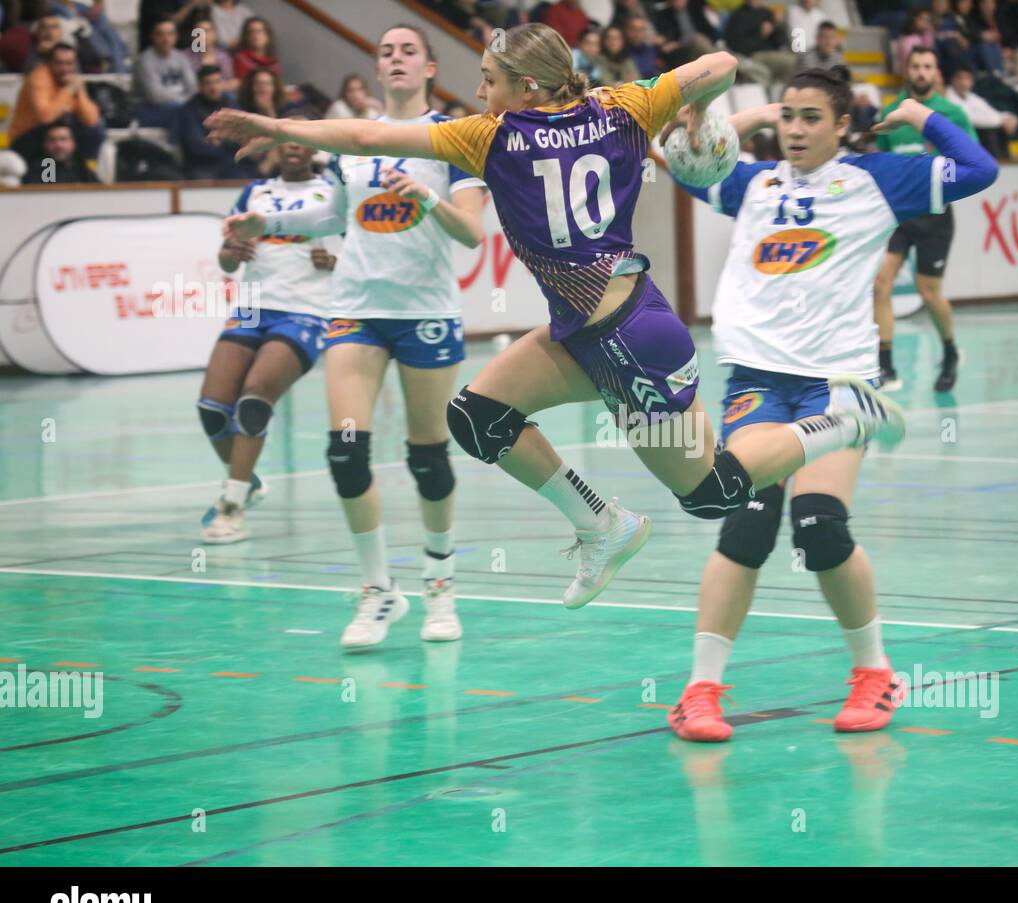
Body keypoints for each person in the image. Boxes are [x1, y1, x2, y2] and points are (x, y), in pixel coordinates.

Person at [207, 22, 906, 617]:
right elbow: (721, 64)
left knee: (714, 492)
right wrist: (700, 111)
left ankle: (843, 419)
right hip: (599, 328)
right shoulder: (626, 104)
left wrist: (273, 126)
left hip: (630, 343)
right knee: (478, 417)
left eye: (488, 79)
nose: (479, 92)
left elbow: (364, 134)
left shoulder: (488, 138)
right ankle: (602, 522)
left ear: (527, 86)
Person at [664, 66, 997, 740]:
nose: (795, 128)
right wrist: (747, 119)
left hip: (835, 379)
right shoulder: (751, 182)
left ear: (843, 125)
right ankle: (699, 692)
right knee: (746, 524)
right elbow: (679, 160)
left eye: (811, 117)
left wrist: (918, 115)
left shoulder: (879, 177)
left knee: (819, 526)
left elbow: (980, 168)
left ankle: (874, 674)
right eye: (788, 115)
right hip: (759, 380)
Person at [221, 24, 487, 649]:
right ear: (377, 69)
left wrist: (427, 200)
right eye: (385, 51)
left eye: (407, 51)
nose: (394, 58)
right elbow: (331, 213)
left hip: (425, 313)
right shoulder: (354, 146)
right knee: (345, 452)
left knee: (427, 457)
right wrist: (268, 219)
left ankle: (440, 584)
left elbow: (472, 234)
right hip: (356, 313)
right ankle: (378, 591)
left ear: (429, 67)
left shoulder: (455, 141)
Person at [199, 141, 339, 544]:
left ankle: (233, 505)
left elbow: (367, 253)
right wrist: (230, 251)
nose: (293, 148)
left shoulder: (333, 191)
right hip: (252, 308)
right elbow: (227, 260)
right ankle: (249, 482)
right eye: (286, 141)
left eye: (302, 141)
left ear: (314, 148)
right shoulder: (254, 192)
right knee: (211, 408)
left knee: (254, 399)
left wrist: (336, 262)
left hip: (307, 311)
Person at [872, 46, 976, 393]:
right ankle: (885, 365)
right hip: (899, 214)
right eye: (915, 66)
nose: (921, 71)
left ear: (936, 73)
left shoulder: (951, 115)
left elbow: (970, 161)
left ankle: (949, 351)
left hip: (935, 215)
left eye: (927, 66)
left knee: (929, 292)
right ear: (907, 71)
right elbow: (883, 163)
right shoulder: (890, 113)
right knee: (880, 282)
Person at [9, 43, 103, 166]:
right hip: (26, 138)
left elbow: (92, 119)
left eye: (69, 63)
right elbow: (45, 117)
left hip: (54, 135)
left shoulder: (72, 81)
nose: (65, 68)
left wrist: (79, 93)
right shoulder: (38, 78)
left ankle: (85, 171)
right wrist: (68, 90)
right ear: (50, 63)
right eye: (59, 63)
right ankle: (50, 180)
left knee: (94, 130)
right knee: (56, 133)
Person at [179, 64, 252, 178]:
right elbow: (196, 147)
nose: (213, 87)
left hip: (234, 163)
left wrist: (219, 141)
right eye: (208, 83)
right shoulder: (189, 110)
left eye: (217, 82)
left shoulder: (232, 104)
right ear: (200, 86)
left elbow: (244, 138)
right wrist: (229, 142)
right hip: (203, 167)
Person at [133, 18, 197, 139]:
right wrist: (186, 103)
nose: (166, 39)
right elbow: (155, 96)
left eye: (170, 34)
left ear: (176, 36)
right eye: (160, 34)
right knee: (183, 112)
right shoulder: (144, 61)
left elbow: (193, 88)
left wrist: (188, 103)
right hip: (150, 110)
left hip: (182, 106)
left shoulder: (181, 57)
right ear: (152, 36)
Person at [948, 63, 1017, 158]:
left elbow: (991, 112)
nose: (963, 82)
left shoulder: (972, 97)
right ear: (953, 80)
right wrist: (1001, 121)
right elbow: (968, 118)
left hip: (974, 139)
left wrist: (1007, 117)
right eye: (960, 78)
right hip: (958, 141)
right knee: (989, 132)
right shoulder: (947, 95)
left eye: (967, 78)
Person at [724, 0, 797, 88]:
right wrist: (761, 34)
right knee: (790, 61)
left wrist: (779, 25)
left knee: (795, 62)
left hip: (773, 53)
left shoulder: (767, 13)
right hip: (752, 55)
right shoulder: (738, 16)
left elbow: (780, 42)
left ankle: (779, 90)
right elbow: (737, 46)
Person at [20, 120, 99, 183]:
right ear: (44, 145)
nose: (58, 145)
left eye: (63, 139)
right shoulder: (37, 170)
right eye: (52, 140)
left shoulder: (81, 166)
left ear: (73, 143)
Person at [653, 0, 718, 71]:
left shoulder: (696, 6)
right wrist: (668, 41)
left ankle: (716, 63)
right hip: (680, 45)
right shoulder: (665, 15)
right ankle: (715, 63)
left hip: (699, 39)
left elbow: (707, 27)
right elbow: (669, 34)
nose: (678, 2)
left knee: (699, 40)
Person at [232, 15, 279, 80]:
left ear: (268, 35)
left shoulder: (273, 63)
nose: (255, 35)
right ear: (246, 36)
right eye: (251, 32)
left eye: (259, 31)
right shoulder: (241, 58)